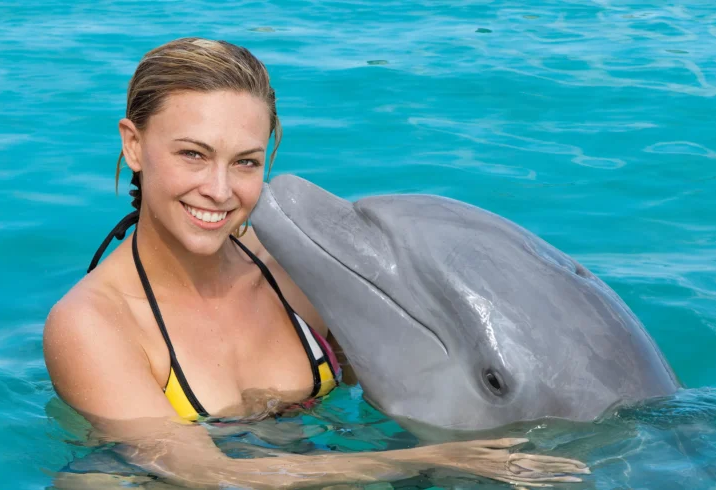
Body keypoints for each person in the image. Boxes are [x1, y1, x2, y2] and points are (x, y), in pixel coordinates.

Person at [43, 37, 589, 488]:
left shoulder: (291, 271)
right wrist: (441, 459)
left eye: (245, 162)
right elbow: (206, 473)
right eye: (193, 154)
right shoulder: (93, 325)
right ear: (134, 146)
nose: (218, 190)